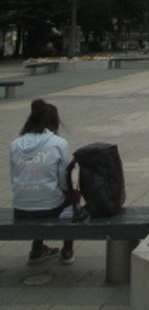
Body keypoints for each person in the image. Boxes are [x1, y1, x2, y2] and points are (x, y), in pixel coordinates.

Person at [10, 99, 74, 264]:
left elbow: (14, 177)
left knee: (38, 190)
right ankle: (67, 250)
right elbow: (64, 180)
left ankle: (37, 249)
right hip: (49, 207)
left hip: (21, 207)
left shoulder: (15, 144)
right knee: (70, 198)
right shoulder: (59, 143)